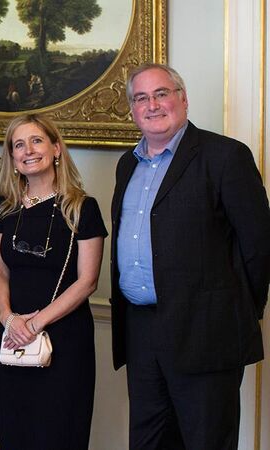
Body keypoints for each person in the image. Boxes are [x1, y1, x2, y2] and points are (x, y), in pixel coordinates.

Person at [111, 63, 270, 449]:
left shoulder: (225, 157)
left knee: (205, 441)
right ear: (132, 109)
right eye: (141, 98)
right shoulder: (127, 163)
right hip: (142, 330)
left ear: (183, 98)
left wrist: (232, 311)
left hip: (206, 333)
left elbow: (259, 244)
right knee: (149, 441)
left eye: (161, 93)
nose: (152, 105)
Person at [0, 114, 107, 449]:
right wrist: (8, 319)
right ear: (12, 157)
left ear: (56, 148)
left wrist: (36, 323)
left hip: (65, 338)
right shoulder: (4, 210)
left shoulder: (83, 208)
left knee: (59, 433)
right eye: (19, 145)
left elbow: (88, 281)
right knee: (17, 432)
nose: (28, 150)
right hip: (13, 336)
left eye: (37, 141)